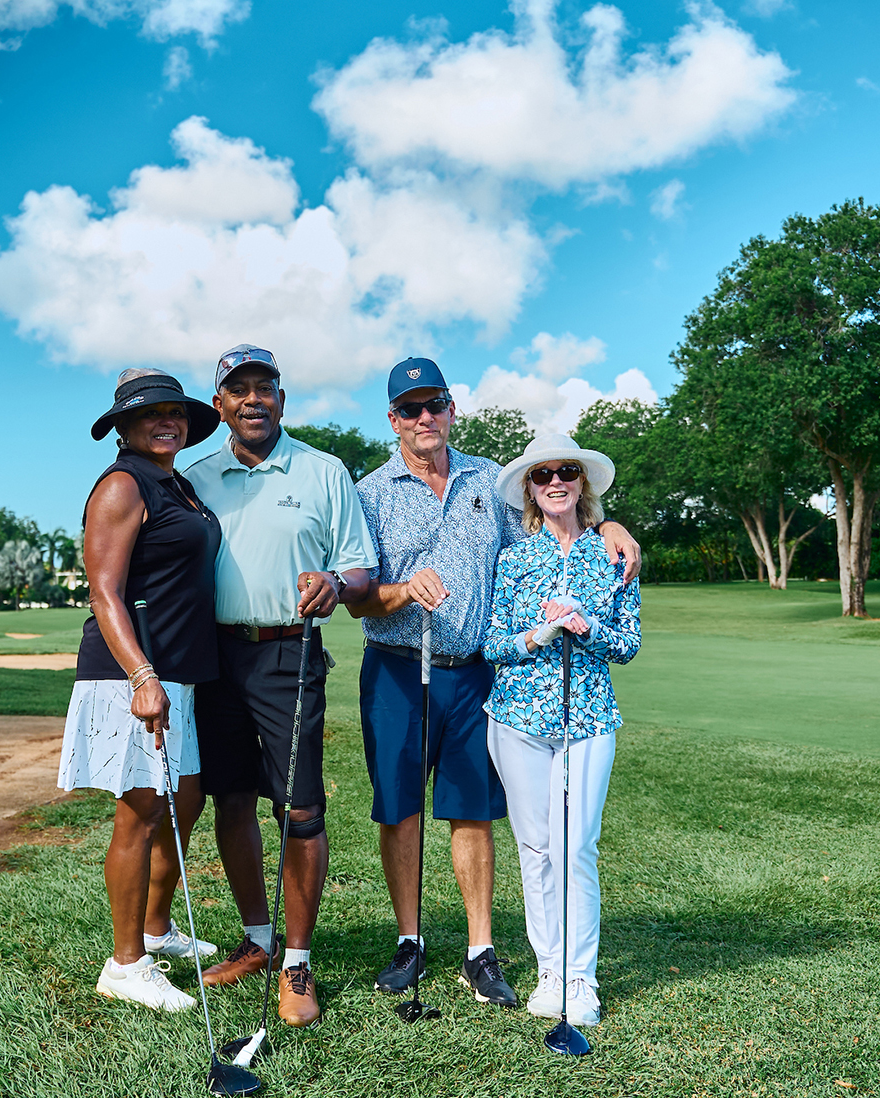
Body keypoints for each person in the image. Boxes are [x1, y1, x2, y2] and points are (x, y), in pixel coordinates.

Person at [350, 358, 643, 1009]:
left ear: (452, 410)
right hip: (397, 668)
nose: (425, 418)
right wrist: (402, 590)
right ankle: (409, 940)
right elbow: (357, 598)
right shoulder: (369, 493)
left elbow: (549, 529)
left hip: (474, 673)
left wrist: (608, 526)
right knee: (400, 808)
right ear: (393, 419)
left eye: (435, 404)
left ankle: (479, 951)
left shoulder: (488, 479)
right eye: (410, 408)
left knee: (472, 808)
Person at [183, 344, 376, 1028]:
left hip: (289, 652)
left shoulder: (323, 471)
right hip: (215, 656)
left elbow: (359, 567)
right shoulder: (195, 477)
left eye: (264, 388)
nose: (253, 400)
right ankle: (257, 939)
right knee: (231, 799)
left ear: (282, 400)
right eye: (239, 391)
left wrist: (336, 583)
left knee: (301, 809)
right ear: (220, 406)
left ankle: (297, 961)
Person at [58, 368, 224, 1012]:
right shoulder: (122, 485)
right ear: (123, 428)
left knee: (187, 799)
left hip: (178, 670)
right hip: (131, 673)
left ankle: (155, 928)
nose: (166, 422)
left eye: (175, 412)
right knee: (142, 812)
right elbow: (104, 592)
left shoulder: (175, 483)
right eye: (150, 414)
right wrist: (142, 676)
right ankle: (126, 965)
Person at [483, 432, 641, 1027]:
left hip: (589, 718)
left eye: (566, 472)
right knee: (536, 848)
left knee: (577, 847)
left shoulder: (614, 555)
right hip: (518, 717)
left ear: (582, 483)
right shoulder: (514, 558)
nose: (555, 482)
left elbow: (628, 643)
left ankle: (581, 977)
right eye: (542, 474)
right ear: (530, 487)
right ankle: (550, 969)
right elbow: (491, 642)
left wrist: (584, 626)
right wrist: (538, 635)